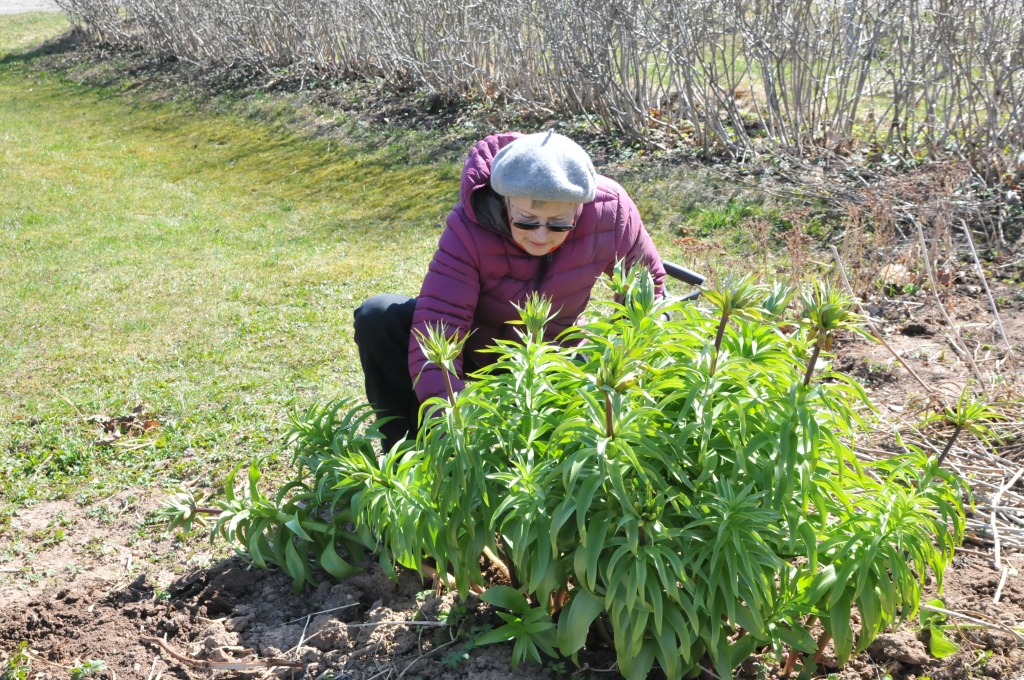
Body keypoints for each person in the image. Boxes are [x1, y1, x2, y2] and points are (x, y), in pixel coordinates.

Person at [353, 131, 666, 451]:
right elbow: (440, 323)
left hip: (554, 354)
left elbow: (647, 291)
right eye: (527, 221)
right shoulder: (469, 225)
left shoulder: (610, 209)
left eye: (559, 223)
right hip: (476, 348)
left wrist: (623, 370)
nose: (541, 236)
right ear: (505, 202)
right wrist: (453, 428)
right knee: (378, 316)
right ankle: (412, 455)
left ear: (579, 206)